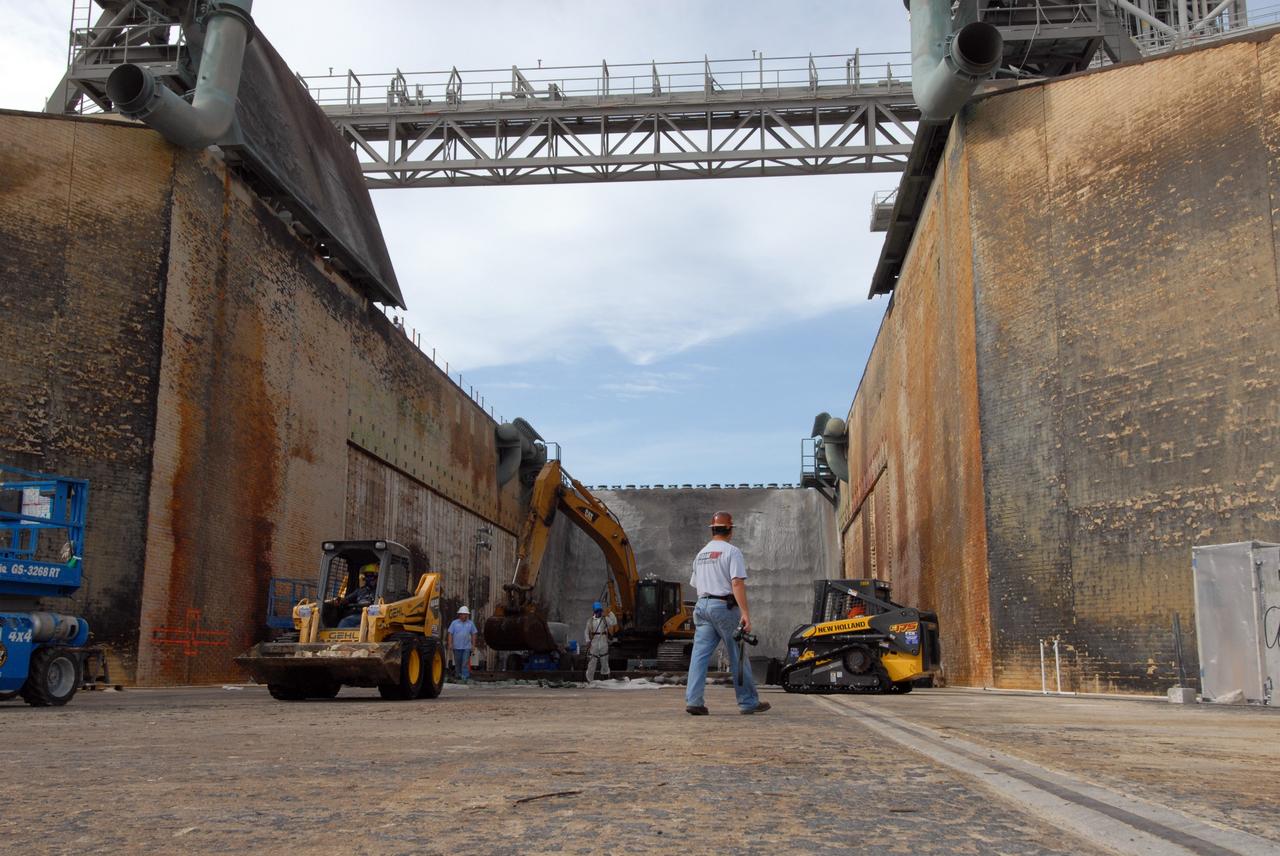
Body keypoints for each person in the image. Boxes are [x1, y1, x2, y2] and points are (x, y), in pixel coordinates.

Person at [684, 511, 770, 715]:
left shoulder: (701, 554)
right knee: (738, 655)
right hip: (723, 608)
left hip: (702, 607)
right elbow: (737, 582)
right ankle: (748, 702)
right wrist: (745, 614)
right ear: (730, 529)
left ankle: (694, 701)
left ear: (713, 529)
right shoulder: (732, 552)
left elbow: (696, 583)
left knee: (699, 656)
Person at [584, 601, 617, 681]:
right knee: (592, 662)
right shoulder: (590, 621)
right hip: (594, 643)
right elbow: (586, 632)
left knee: (604, 661)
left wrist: (610, 613)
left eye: (600, 611)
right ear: (594, 611)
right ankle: (589, 680)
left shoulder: (605, 619)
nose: (599, 612)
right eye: (597, 611)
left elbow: (614, 622)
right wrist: (588, 641)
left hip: (603, 642)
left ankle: (606, 679)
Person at [447, 606, 479, 682]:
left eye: (465, 614)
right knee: (458, 663)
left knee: (465, 662)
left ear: (467, 615)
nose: (464, 616)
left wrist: (473, 645)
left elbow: (474, 633)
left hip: (466, 647)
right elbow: (450, 633)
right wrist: (450, 644)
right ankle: (458, 676)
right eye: (462, 614)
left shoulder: (470, 623)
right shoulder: (454, 623)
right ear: (459, 615)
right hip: (456, 647)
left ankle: (465, 677)